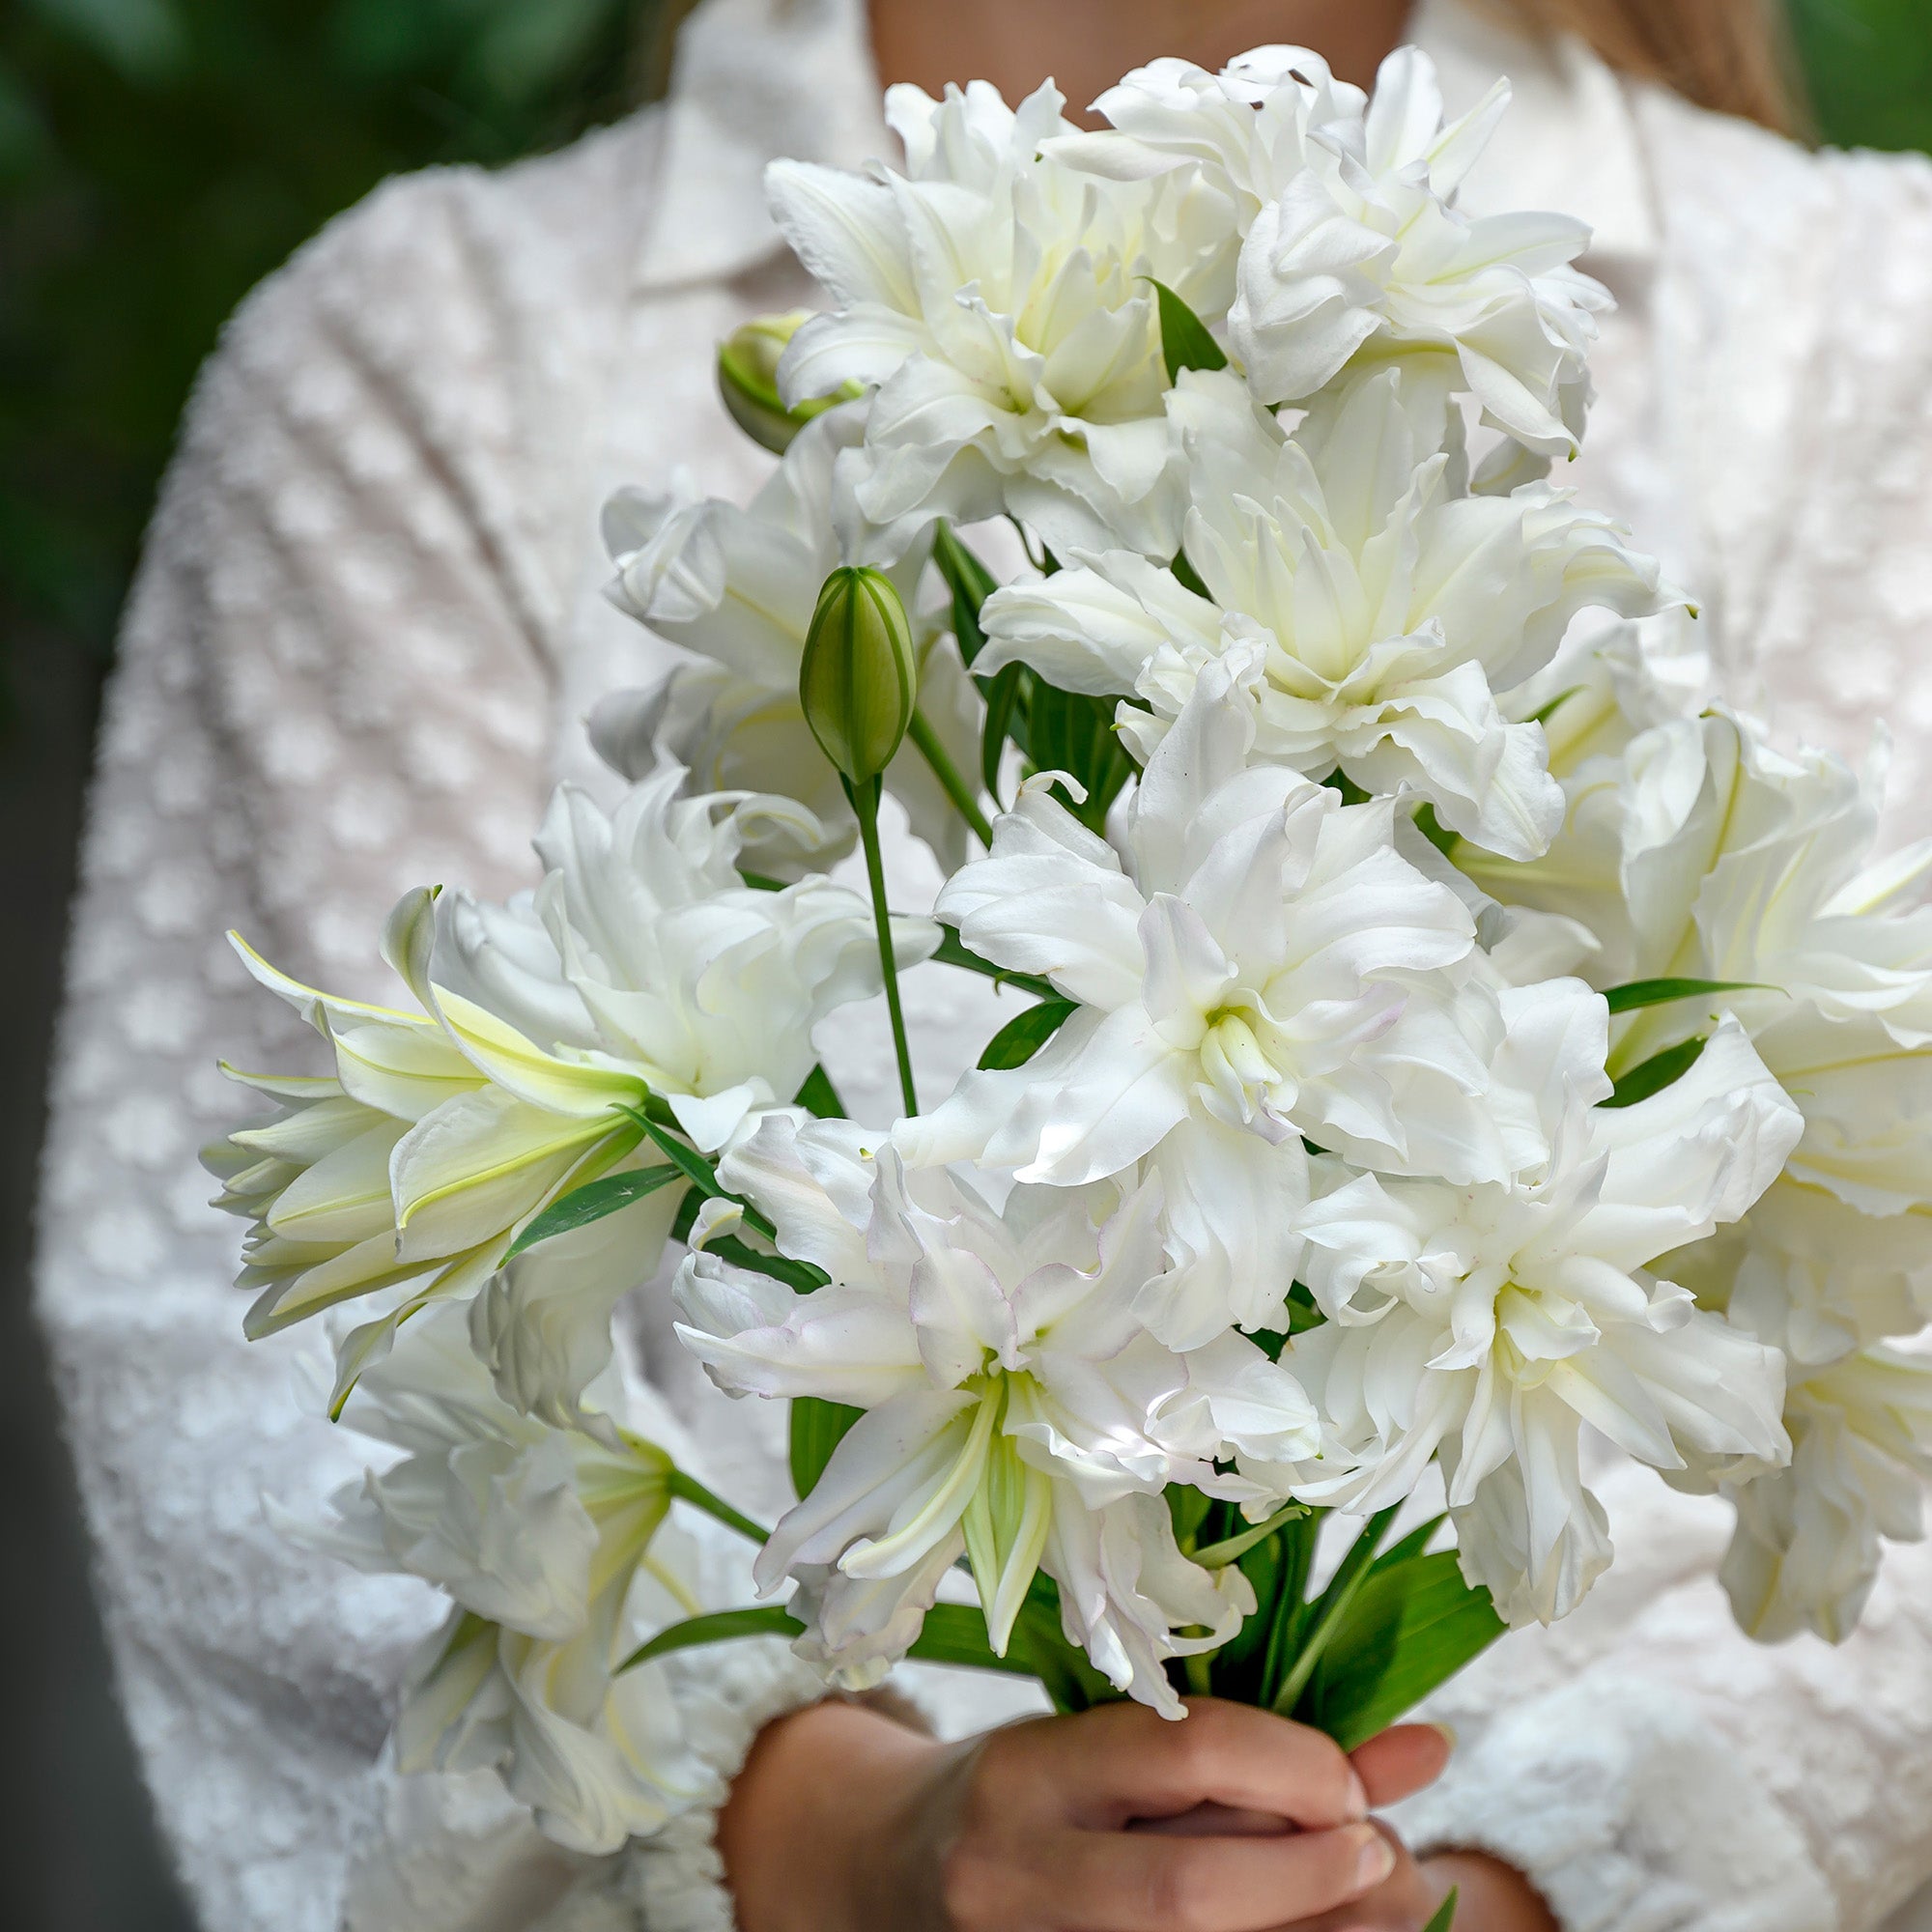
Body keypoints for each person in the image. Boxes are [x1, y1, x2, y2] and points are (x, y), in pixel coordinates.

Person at [34, 0, 1932, 1927]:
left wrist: (1520, 1891)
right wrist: (815, 1834)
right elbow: (232, 1351)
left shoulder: (1867, 320)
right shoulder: (430, 351)